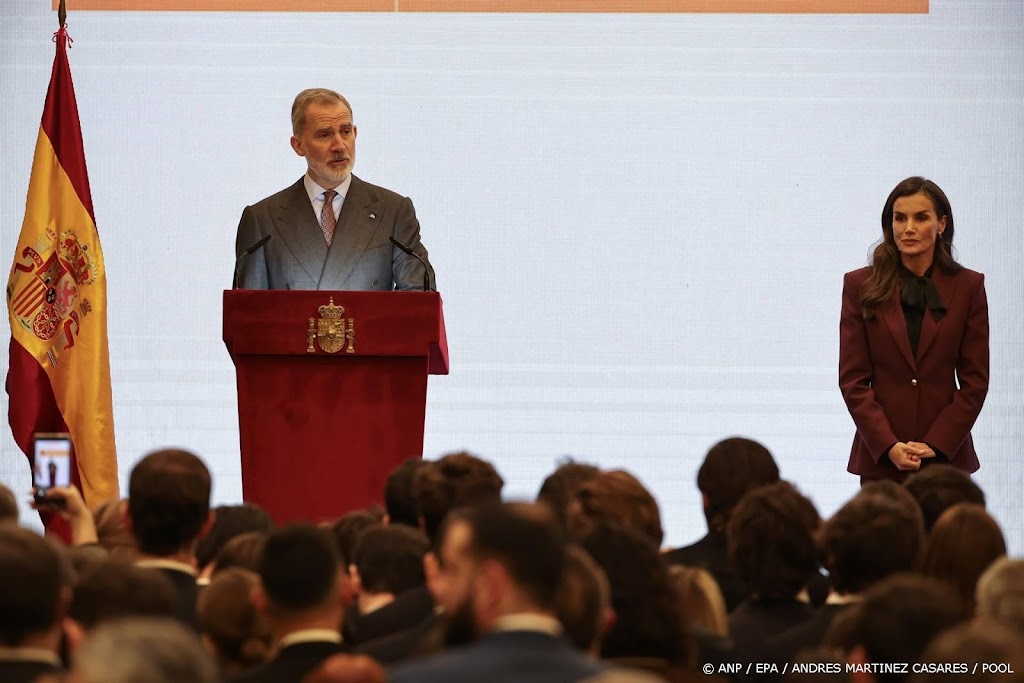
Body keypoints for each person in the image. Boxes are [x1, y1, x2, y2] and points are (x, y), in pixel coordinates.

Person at [839, 176, 989, 483]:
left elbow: (975, 381)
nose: (908, 228)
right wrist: (888, 445)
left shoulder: (969, 287)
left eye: (920, 218)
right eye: (900, 218)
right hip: (882, 461)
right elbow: (853, 380)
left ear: (941, 224)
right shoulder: (859, 285)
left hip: (947, 459)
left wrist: (937, 443)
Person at [234, 88, 433, 291]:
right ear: (298, 145)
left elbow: (418, 295)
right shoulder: (262, 220)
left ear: (355, 133)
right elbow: (249, 307)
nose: (339, 145)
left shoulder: (393, 211)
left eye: (345, 132)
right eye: (324, 134)